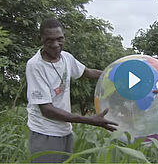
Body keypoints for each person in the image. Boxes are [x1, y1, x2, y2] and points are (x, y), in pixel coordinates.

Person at [26, 18, 118, 163]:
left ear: (64, 37)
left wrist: (115, 76)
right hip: (44, 132)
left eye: (59, 39)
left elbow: (87, 72)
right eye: (49, 40)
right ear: (40, 39)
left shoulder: (66, 58)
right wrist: (90, 120)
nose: (56, 45)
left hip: (64, 131)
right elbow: (47, 110)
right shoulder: (35, 65)